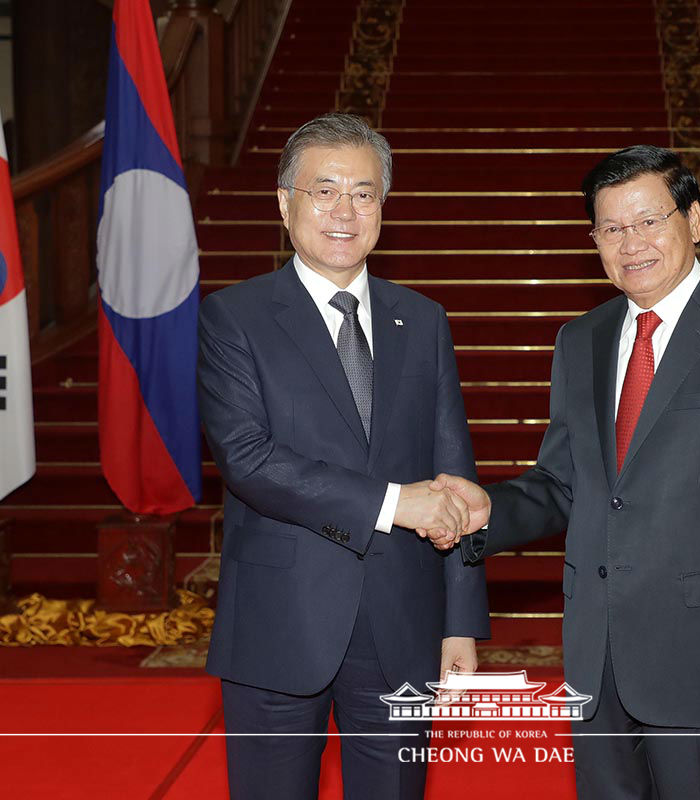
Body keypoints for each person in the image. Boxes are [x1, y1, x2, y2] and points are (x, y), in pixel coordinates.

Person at [426, 145, 700, 799]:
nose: (632, 243)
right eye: (612, 228)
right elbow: (564, 485)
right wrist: (486, 512)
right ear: (594, 240)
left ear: (694, 221)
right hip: (600, 658)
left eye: (649, 221)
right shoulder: (580, 338)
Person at [197, 112, 489, 800]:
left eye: (363, 193)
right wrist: (394, 503)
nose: (343, 211)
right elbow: (247, 459)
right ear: (284, 203)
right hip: (278, 622)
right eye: (323, 190)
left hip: (403, 623)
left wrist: (462, 626)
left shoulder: (423, 320)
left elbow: (457, 477)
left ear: (383, 207)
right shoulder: (233, 317)